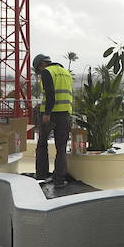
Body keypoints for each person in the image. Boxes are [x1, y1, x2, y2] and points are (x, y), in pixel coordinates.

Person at [34, 53, 74, 186]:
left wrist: (47, 112)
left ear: (41, 65)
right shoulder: (66, 72)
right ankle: (59, 179)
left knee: (42, 144)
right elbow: (63, 93)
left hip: (51, 115)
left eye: (38, 70)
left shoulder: (47, 72)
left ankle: (41, 174)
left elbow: (51, 94)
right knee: (61, 148)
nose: (39, 73)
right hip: (65, 114)